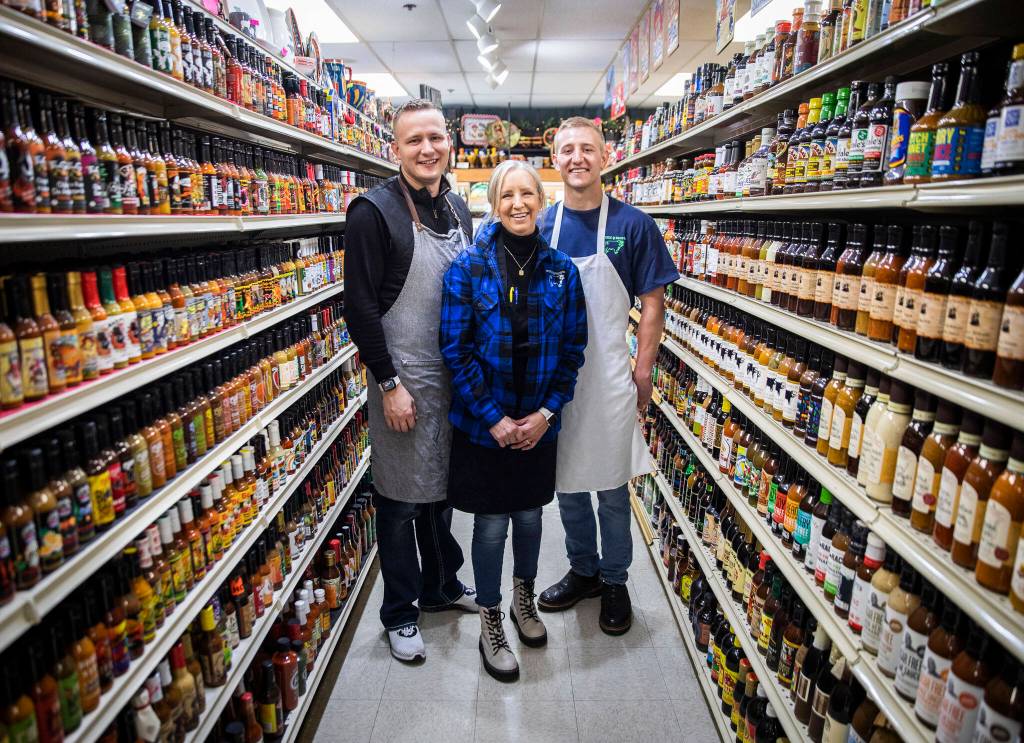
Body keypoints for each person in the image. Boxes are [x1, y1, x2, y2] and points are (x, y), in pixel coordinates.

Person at [440, 160, 587, 682]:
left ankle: (525, 601)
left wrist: (546, 414)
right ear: (493, 203)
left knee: (528, 517)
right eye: (508, 196)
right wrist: (494, 418)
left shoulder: (561, 270)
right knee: (491, 523)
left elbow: (573, 350)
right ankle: (491, 618)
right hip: (485, 426)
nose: (518, 204)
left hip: (538, 424)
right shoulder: (468, 267)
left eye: (528, 194)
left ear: (541, 202)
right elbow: (455, 353)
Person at [343, 99, 476, 663]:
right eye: (414, 141)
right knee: (398, 504)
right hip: (401, 379)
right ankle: (400, 612)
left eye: (435, 138)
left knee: (441, 494)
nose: (427, 150)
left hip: (451, 381)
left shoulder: (460, 208)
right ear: (394, 149)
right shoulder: (372, 212)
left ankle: (441, 586)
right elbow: (359, 307)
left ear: (450, 144)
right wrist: (388, 382)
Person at [537, 116, 679, 635]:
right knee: (568, 482)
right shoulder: (541, 223)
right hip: (554, 382)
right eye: (567, 149)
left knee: (613, 485)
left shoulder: (633, 224)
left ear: (606, 156)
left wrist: (643, 369)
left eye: (588, 149)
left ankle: (616, 579)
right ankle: (584, 570)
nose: (578, 158)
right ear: (555, 159)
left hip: (610, 376)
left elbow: (652, 302)